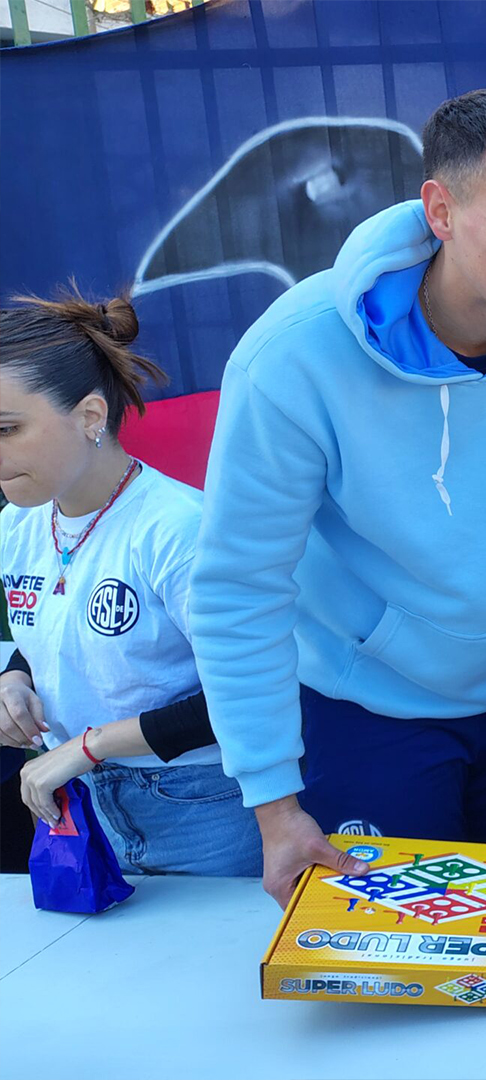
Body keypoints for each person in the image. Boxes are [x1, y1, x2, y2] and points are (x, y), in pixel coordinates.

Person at [190, 88, 486, 904]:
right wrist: (272, 802)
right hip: (363, 705)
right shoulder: (292, 358)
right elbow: (239, 588)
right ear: (440, 211)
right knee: (389, 984)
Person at [0, 291, 258, 874]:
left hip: (203, 807)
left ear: (90, 417)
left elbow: (248, 692)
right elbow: (50, 617)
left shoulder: (177, 530)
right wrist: (14, 679)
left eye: (7, 427)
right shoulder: (17, 523)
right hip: (78, 803)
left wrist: (87, 746)